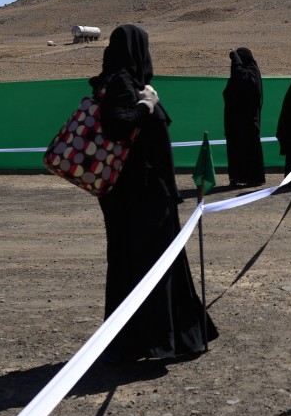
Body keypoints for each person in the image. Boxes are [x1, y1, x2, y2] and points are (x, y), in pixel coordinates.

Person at [90, 23, 216, 362]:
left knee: (147, 264)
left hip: (142, 194)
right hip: (139, 197)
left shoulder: (125, 81)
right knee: (148, 265)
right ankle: (150, 341)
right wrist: (146, 105)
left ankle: (165, 338)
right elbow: (118, 124)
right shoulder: (120, 83)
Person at [223, 47, 266, 187]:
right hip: (236, 124)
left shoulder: (251, 73)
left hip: (248, 123)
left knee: (249, 150)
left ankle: (253, 177)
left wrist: (235, 59)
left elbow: (243, 78)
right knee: (236, 150)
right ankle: (238, 176)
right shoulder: (240, 75)